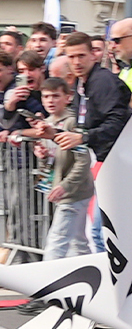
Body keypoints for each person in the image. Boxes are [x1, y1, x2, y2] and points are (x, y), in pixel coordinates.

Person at [57, 32, 132, 254]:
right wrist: (53, 133)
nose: (77, 62)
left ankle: (114, 286)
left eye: (81, 55)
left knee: (103, 234)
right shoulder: (84, 84)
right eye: (71, 57)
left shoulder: (101, 81)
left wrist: (83, 137)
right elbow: (86, 124)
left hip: (120, 163)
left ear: (93, 55)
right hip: (107, 162)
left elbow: (117, 121)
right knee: (102, 234)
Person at [29, 77, 93, 262]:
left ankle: (46, 282)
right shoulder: (46, 123)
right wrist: (41, 156)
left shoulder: (72, 124)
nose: (50, 101)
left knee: (57, 240)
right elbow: (51, 162)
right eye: (46, 96)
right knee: (77, 242)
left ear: (68, 97)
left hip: (74, 191)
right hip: (62, 188)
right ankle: (94, 277)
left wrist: (65, 186)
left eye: (56, 96)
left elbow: (83, 160)